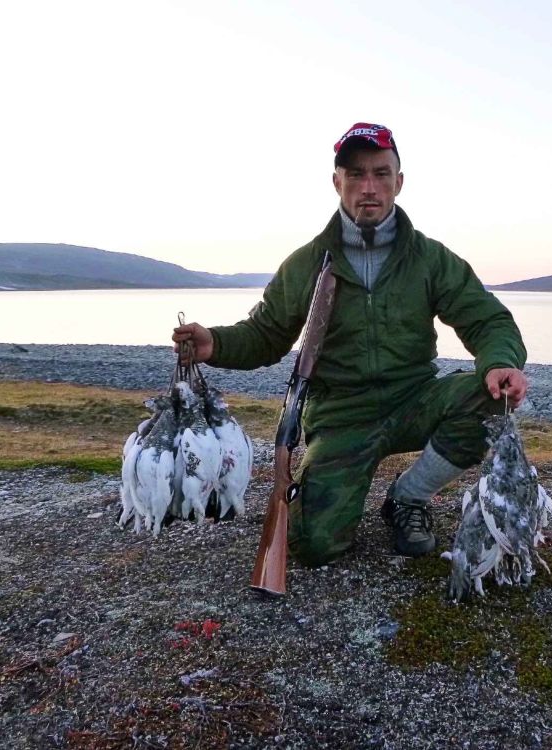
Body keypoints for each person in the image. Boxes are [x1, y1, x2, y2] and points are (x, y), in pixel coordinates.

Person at [173, 122, 527, 566]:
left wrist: (499, 361)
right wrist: (216, 344)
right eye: (355, 174)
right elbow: (265, 335)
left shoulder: (432, 259)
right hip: (341, 416)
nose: (369, 187)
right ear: (336, 181)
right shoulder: (305, 265)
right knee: (314, 547)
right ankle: (336, 494)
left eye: (381, 174)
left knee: (486, 394)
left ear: (399, 182)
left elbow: (488, 319)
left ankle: (408, 497)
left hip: (414, 398)